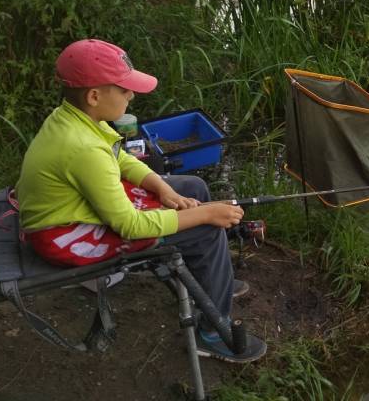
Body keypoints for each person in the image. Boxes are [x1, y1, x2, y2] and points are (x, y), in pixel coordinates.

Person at [17, 38, 253, 362]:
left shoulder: (77, 118)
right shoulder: (82, 148)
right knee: (207, 229)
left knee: (193, 187)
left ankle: (212, 280)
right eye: (124, 89)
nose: (131, 95)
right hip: (65, 234)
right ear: (94, 96)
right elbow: (129, 225)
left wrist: (161, 187)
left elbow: (119, 159)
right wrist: (206, 216)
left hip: (76, 208)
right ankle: (212, 332)